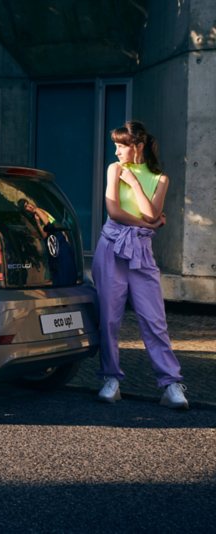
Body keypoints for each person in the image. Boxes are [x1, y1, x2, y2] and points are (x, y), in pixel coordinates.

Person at [92, 120, 188, 409]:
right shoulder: (114, 169)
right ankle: (111, 379)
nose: (118, 151)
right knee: (108, 318)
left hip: (142, 253)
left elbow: (151, 212)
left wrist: (134, 184)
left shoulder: (160, 179)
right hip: (111, 247)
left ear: (139, 146)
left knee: (154, 320)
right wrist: (151, 225)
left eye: (122, 146)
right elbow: (114, 211)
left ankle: (171, 384)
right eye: (116, 146)